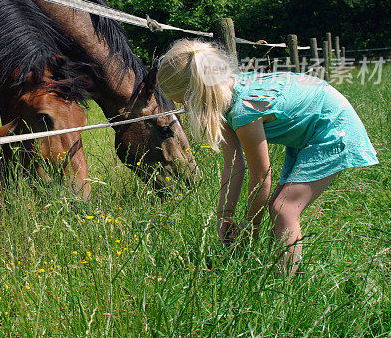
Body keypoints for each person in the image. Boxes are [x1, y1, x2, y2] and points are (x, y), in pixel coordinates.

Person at [156, 39, 378, 273]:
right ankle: (276, 270)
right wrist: (225, 215)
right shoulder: (226, 100)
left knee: (284, 209)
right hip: (313, 126)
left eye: (182, 101)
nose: (185, 109)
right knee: (279, 206)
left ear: (196, 93)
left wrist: (250, 229)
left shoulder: (244, 110)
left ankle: (285, 286)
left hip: (332, 126)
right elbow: (233, 166)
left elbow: (261, 176)